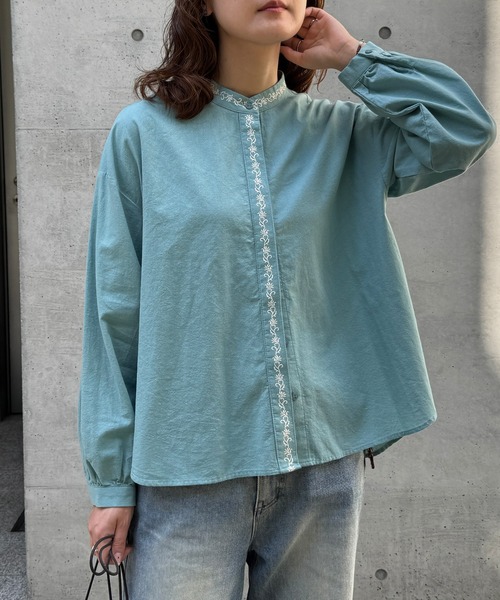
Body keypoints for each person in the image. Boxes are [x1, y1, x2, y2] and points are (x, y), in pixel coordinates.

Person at [78, 1, 496, 598]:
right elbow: (113, 313)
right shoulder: (143, 134)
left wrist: (352, 56)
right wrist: (112, 482)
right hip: (186, 473)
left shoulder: (342, 135)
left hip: (321, 471)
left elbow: (464, 129)